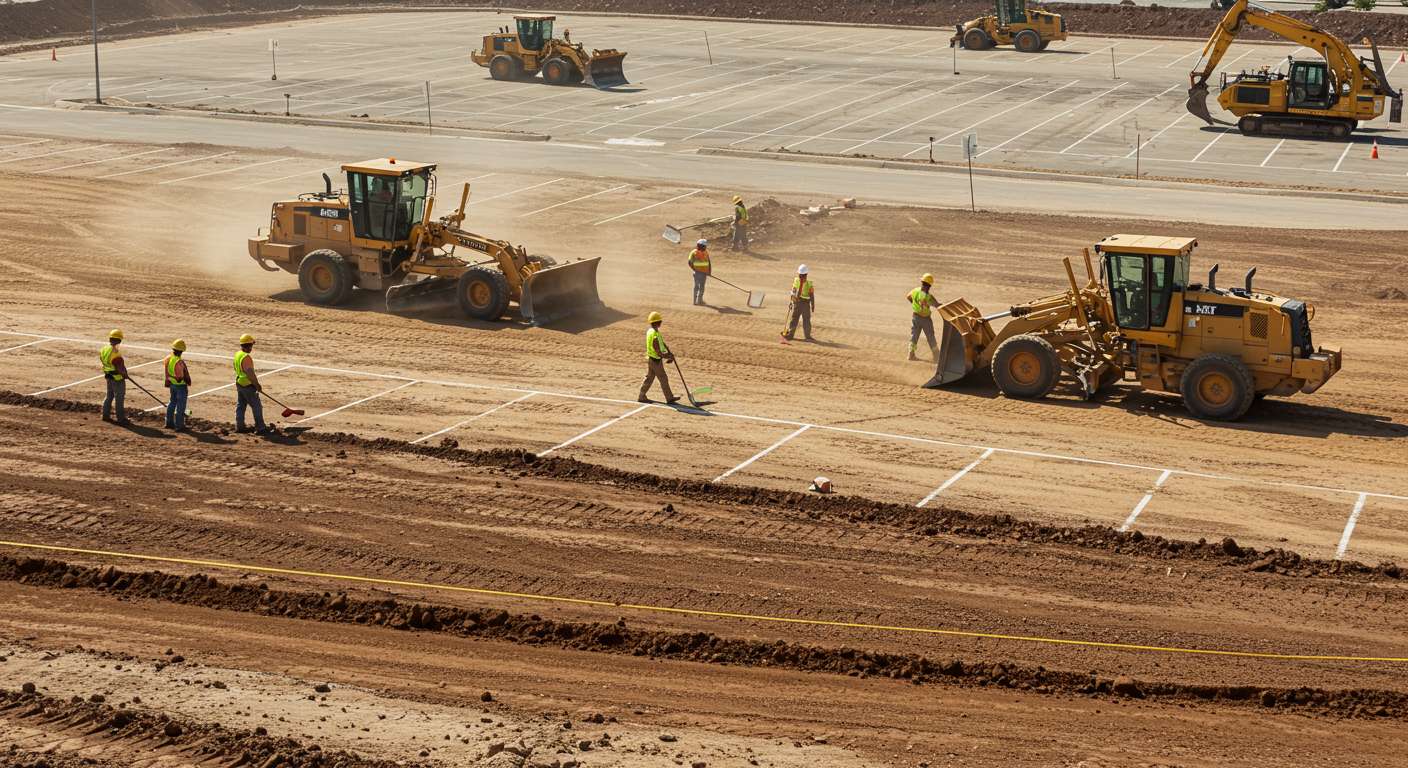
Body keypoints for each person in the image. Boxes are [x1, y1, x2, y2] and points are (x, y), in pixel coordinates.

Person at [638, 311, 680, 404]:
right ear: (657, 322)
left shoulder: (652, 331)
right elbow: (657, 350)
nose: (661, 322)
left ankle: (641, 396)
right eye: (660, 321)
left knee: (649, 378)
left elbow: (662, 343)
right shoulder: (655, 334)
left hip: (651, 358)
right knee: (663, 378)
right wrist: (668, 356)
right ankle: (669, 398)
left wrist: (668, 351)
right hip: (655, 360)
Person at [234, 333, 272, 434]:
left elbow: (235, 368)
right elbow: (250, 373)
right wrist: (257, 385)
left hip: (239, 383)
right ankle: (260, 427)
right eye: (251, 345)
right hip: (248, 385)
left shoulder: (238, 354)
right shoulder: (246, 357)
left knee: (241, 405)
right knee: (257, 406)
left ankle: (239, 426)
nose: (252, 348)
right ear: (249, 345)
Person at [907, 273, 940, 361]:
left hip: (915, 317)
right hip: (925, 319)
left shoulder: (915, 291)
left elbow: (908, 296)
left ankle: (911, 354)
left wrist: (915, 305)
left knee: (914, 336)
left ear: (922, 282)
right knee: (930, 336)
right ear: (930, 285)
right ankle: (936, 356)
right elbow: (937, 305)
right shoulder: (928, 297)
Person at [99, 329, 129, 425]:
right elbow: (119, 367)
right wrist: (125, 375)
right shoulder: (115, 353)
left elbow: (102, 360)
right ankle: (121, 419)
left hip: (108, 376)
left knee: (109, 396)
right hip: (117, 378)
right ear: (119, 341)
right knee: (119, 398)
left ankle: (105, 415)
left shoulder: (104, 349)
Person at [781, 264, 815, 341]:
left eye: (802, 275)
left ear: (806, 275)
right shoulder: (796, 281)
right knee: (794, 319)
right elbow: (793, 292)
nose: (801, 277)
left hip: (806, 304)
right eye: (800, 275)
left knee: (806, 320)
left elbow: (812, 295)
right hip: (797, 302)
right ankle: (790, 334)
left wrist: (813, 305)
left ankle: (807, 336)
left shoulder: (809, 284)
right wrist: (791, 301)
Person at [164, 339, 192, 430]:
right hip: (180, 387)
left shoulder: (168, 358)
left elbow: (167, 372)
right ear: (181, 351)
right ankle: (179, 425)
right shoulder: (179, 362)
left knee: (172, 403)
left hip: (172, 385)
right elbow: (180, 378)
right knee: (181, 406)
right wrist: (186, 379)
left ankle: (169, 422)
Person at [688, 238, 711, 305]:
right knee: (697, 286)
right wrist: (694, 269)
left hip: (704, 273)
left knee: (702, 287)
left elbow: (709, 262)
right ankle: (695, 301)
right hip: (697, 273)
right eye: (704, 246)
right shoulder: (694, 252)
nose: (705, 247)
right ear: (700, 245)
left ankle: (700, 300)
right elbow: (689, 262)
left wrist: (709, 271)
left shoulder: (706, 252)